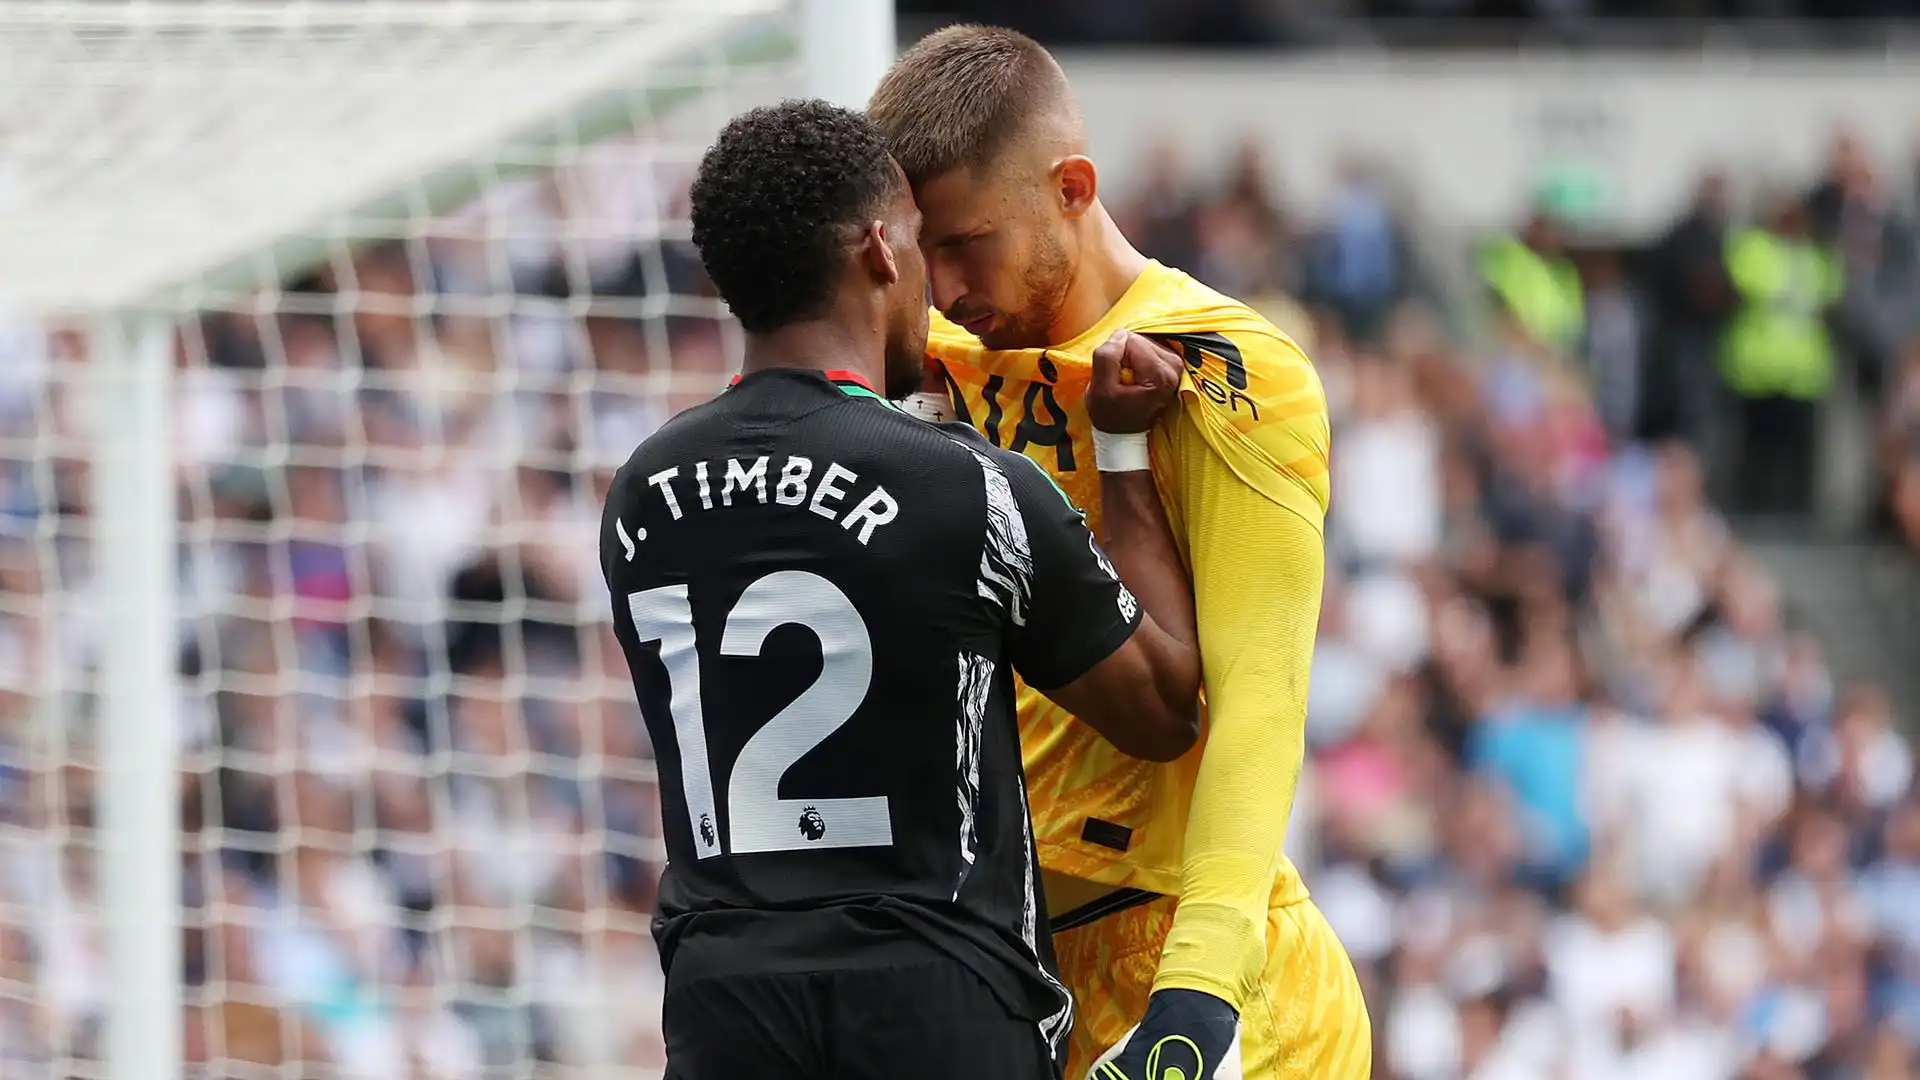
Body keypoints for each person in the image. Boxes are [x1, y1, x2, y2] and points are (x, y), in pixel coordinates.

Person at [601, 99, 1206, 1080]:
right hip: (938, 1002)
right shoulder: (961, 487)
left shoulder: (641, 494)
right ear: (881, 249)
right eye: (927, 245)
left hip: (726, 1014)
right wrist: (1123, 448)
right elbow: (1165, 707)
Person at [869, 27, 1371, 1080]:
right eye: (927, 254)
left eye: (968, 244)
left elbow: (1261, 696)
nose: (948, 286)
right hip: (1011, 969)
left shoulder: (1220, 368)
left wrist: (1199, 988)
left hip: (1196, 964)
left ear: (1072, 187)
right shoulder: (922, 368)